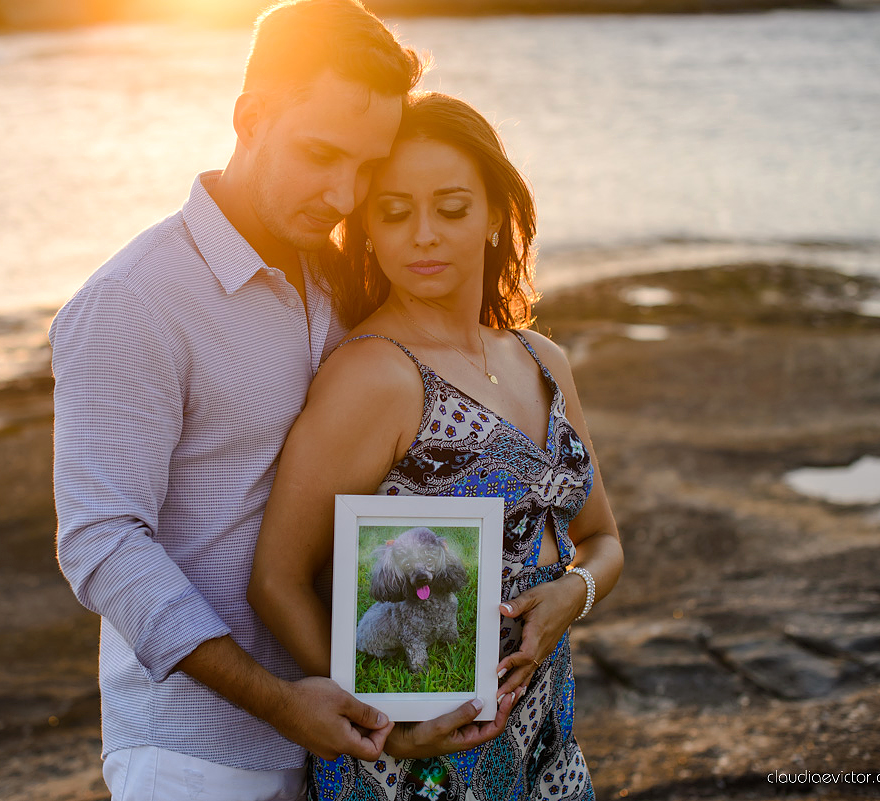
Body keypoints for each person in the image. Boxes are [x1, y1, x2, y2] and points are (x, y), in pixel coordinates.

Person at [49, 2, 424, 799]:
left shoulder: (336, 277)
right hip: (194, 753)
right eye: (320, 154)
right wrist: (278, 700)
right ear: (250, 117)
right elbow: (102, 540)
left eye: (367, 167)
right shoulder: (133, 299)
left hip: (340, 737)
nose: (344, 193)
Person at [248, 92, 624, 799]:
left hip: (546, 744)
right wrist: (383, 720)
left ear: (492, 215)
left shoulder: (543, 358)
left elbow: (601, 537)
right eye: (394, 212)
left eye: (451, 208)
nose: (423, 234)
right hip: (411, 767)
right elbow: (276, 578)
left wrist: (574, 593)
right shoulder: (375, 374)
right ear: (365, 231)